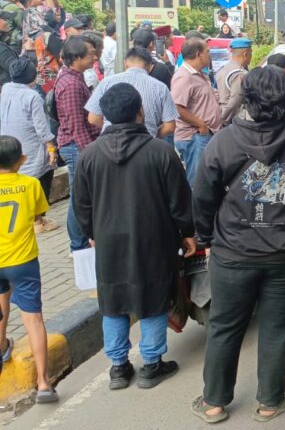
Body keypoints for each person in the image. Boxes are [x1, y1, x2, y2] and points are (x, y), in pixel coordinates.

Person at [191, 67, 285, 424]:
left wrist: (207, 239)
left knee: (225, 325)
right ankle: (270, 401)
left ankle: (214, 402)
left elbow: (202, 198)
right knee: (277, 326)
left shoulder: (222, 143)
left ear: (247, 101)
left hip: (233, 253)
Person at [74, 84, 195, 390]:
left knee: (112, 299)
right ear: (140, 111)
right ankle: (151, 364)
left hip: (109, 241)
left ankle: (118, 367)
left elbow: (81, 206)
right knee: (155, 297)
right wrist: (188, 233)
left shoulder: (89, 156)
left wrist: (92, 234)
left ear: (107, 116)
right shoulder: (161, 152)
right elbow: (179, 201)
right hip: (155, 238)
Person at [0, 136, 57, 403]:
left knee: (1, 304)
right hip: (23, 260)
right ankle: (43, 383)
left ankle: (2, 348)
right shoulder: (31, 184)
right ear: (22, 160)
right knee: (33, 319)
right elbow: (38, 216)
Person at [1, 59, 59, 234]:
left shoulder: (5, 90)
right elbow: (41, 127)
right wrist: (51, 148)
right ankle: (37, 220)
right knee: (44, 174)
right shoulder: (32, 96)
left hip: (7, 142)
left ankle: (25, 218)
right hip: (30, 145)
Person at [54, 36, 100, 252]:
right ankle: (78, 245)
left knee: (80, 194)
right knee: (78, 196)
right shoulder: (71, 84)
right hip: (76, 145)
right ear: (78, 57)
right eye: (90, 53)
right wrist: (89, 151)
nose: (95, 57)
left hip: (76, 144)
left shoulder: (73, 76)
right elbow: (77, 124)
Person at [85, 48, 177, 140]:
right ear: (150, 66)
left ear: (125, 63)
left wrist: (109, 129)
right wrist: (151, 135)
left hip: (110, 145)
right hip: (145, 146)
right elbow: (170, 126)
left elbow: (93, 118)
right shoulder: (161, 87)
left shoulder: (107, 82)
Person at [171, 38, 223, 186]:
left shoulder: (199, 74)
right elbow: (176, 107)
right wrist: (201, 126)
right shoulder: (184, 77)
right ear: (198, 54)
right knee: (197, 183)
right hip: (195, 138)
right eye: (207, 52)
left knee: (206, 179)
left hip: (205, 135)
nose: (210, 55)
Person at [216, 38, 252, 125]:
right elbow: (235, 101)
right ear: (245, 54)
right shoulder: (239, 73)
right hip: (233, 119)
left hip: (222, 112)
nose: (252, 55)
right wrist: (224, 119)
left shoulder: (223, 69)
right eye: (251, 52)